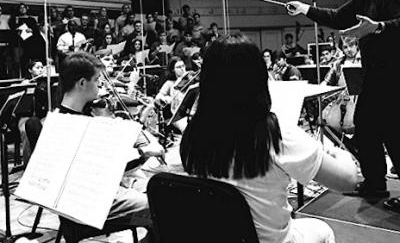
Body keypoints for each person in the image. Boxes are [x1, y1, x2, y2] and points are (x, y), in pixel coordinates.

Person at [180, 35, 357, 243]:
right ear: (258, 77)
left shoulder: (193, 134)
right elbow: (348, 181)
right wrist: (339, 152)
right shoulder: (274, 132)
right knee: (322, 230)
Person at [286, 0, 400, 208]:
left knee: (393, 132)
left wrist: (379, 27)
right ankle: (375, 184)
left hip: (395, 74)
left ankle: (377, 183)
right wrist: (305, 9)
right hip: (377, 74)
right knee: (366, 125)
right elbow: (338, 18)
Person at [28, 52, 164, 239]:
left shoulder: (71, 115)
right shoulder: (72, 126)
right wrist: (144, 152)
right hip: (89, 206)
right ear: (82, 83)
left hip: (98, 196)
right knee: (165, 208)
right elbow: (107, 173)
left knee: (162, 195)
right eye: (97, 79)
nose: (101, 85)